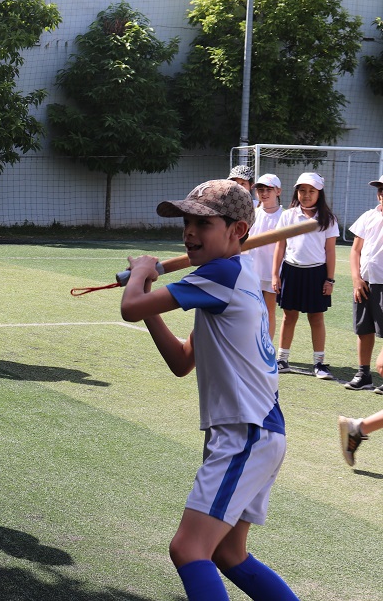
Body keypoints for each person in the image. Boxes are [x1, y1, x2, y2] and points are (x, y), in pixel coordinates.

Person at [120, 179, 298, 601]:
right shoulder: (239, 274)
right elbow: (182, 361)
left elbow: (129, 308)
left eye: (204, 223)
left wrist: (144, 271)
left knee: (188, 548)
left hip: (245, 431)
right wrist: (147, 294)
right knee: (229, 554)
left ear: (237, 231)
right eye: (187, 221)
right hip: (257, 431)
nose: (190, 232)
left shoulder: (218, 274)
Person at [271, 172, 339, 379]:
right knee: (288, 316)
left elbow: (330, 251)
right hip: (291, 271)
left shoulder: (328, 219)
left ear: (320, 192)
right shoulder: (288, 215)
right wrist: (275, 275)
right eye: (302, 190)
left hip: (317, 273)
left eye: (311, 190)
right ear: (296, 192)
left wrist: (329, 279)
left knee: (316, 318)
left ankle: (319, 364)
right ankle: (282, 359)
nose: (306, 195)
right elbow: (280, 246)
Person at [343, 177, 383, 391]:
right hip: (365, 283)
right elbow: (356, 250)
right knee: (363, 329)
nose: (382, 194)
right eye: (381, 190)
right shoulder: (368, 216)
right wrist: (357, 279)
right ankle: (363, 374)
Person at [246, 174, 283, 340]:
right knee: (250, 311)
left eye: (269, 189)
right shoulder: (252, 214)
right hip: (251, 271)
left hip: (272, 273)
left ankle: (266, 348)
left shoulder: (285, 216)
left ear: (278, 191)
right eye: (260, 189)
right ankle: (251, 346)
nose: (264, 193)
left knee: (269, 311)